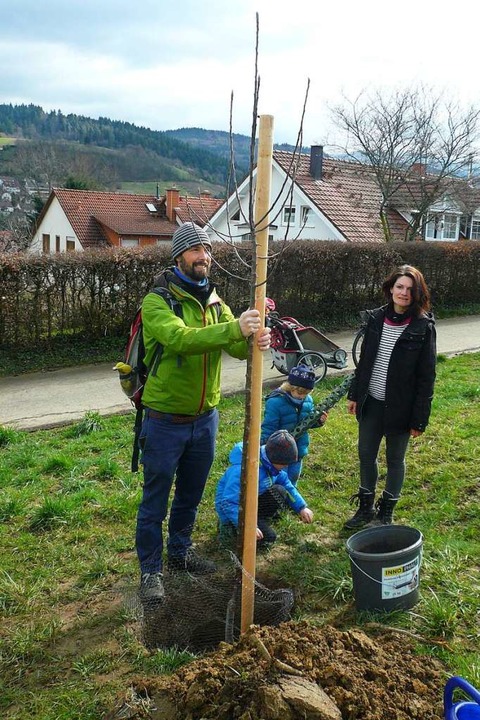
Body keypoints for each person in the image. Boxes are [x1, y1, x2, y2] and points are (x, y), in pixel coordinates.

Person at [136, 222, 271, 601]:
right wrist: (234, 330)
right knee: (155, 499)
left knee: (190, 494)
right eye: (196, 250)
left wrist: (255, 338)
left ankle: (179, 554)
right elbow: (180, 339)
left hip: (205, 419)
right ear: (179, 255)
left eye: (207, 250)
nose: (204, 257)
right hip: (165, 420)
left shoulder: (215, 301)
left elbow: (238, 348)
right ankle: (150, 572)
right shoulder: (158, 301)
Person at [344, 264, 436, 529]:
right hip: (371, 401)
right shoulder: (375, 319)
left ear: (417, 293)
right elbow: (365, 361)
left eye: (410, 289)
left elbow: (426, 376)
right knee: (365, 454)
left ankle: (386, 510)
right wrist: (354, 394)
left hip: (401, 408)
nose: (404, 293)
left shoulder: (423, 326)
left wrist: (420, 419)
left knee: (395, 459)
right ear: (391, 288)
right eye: (399, 287)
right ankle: (365, 508)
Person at [215, 429, 314, 546]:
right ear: (273, 459)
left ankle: (258, 521)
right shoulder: (242, 471)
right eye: (284, 463)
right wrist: (247, 526)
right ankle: (230, 529)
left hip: (254, 503)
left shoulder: (273, 466)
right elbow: (228, 503)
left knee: (280, 490)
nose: (286, 466)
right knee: (269, 538)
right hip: (236, 512)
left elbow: (287, 485)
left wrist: (301, 507)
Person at [260, 364, 327, 484]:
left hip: (298, 450)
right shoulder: (275, 402)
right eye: (300, 393)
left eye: (306, 393)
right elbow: (269, 427)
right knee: (279, 482)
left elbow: (308, 422)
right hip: (279, 453)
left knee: (293, 479)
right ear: (290, 387)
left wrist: (318, 421)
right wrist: (266, 447)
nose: (302, 396)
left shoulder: (308, 401)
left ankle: (291, 500)